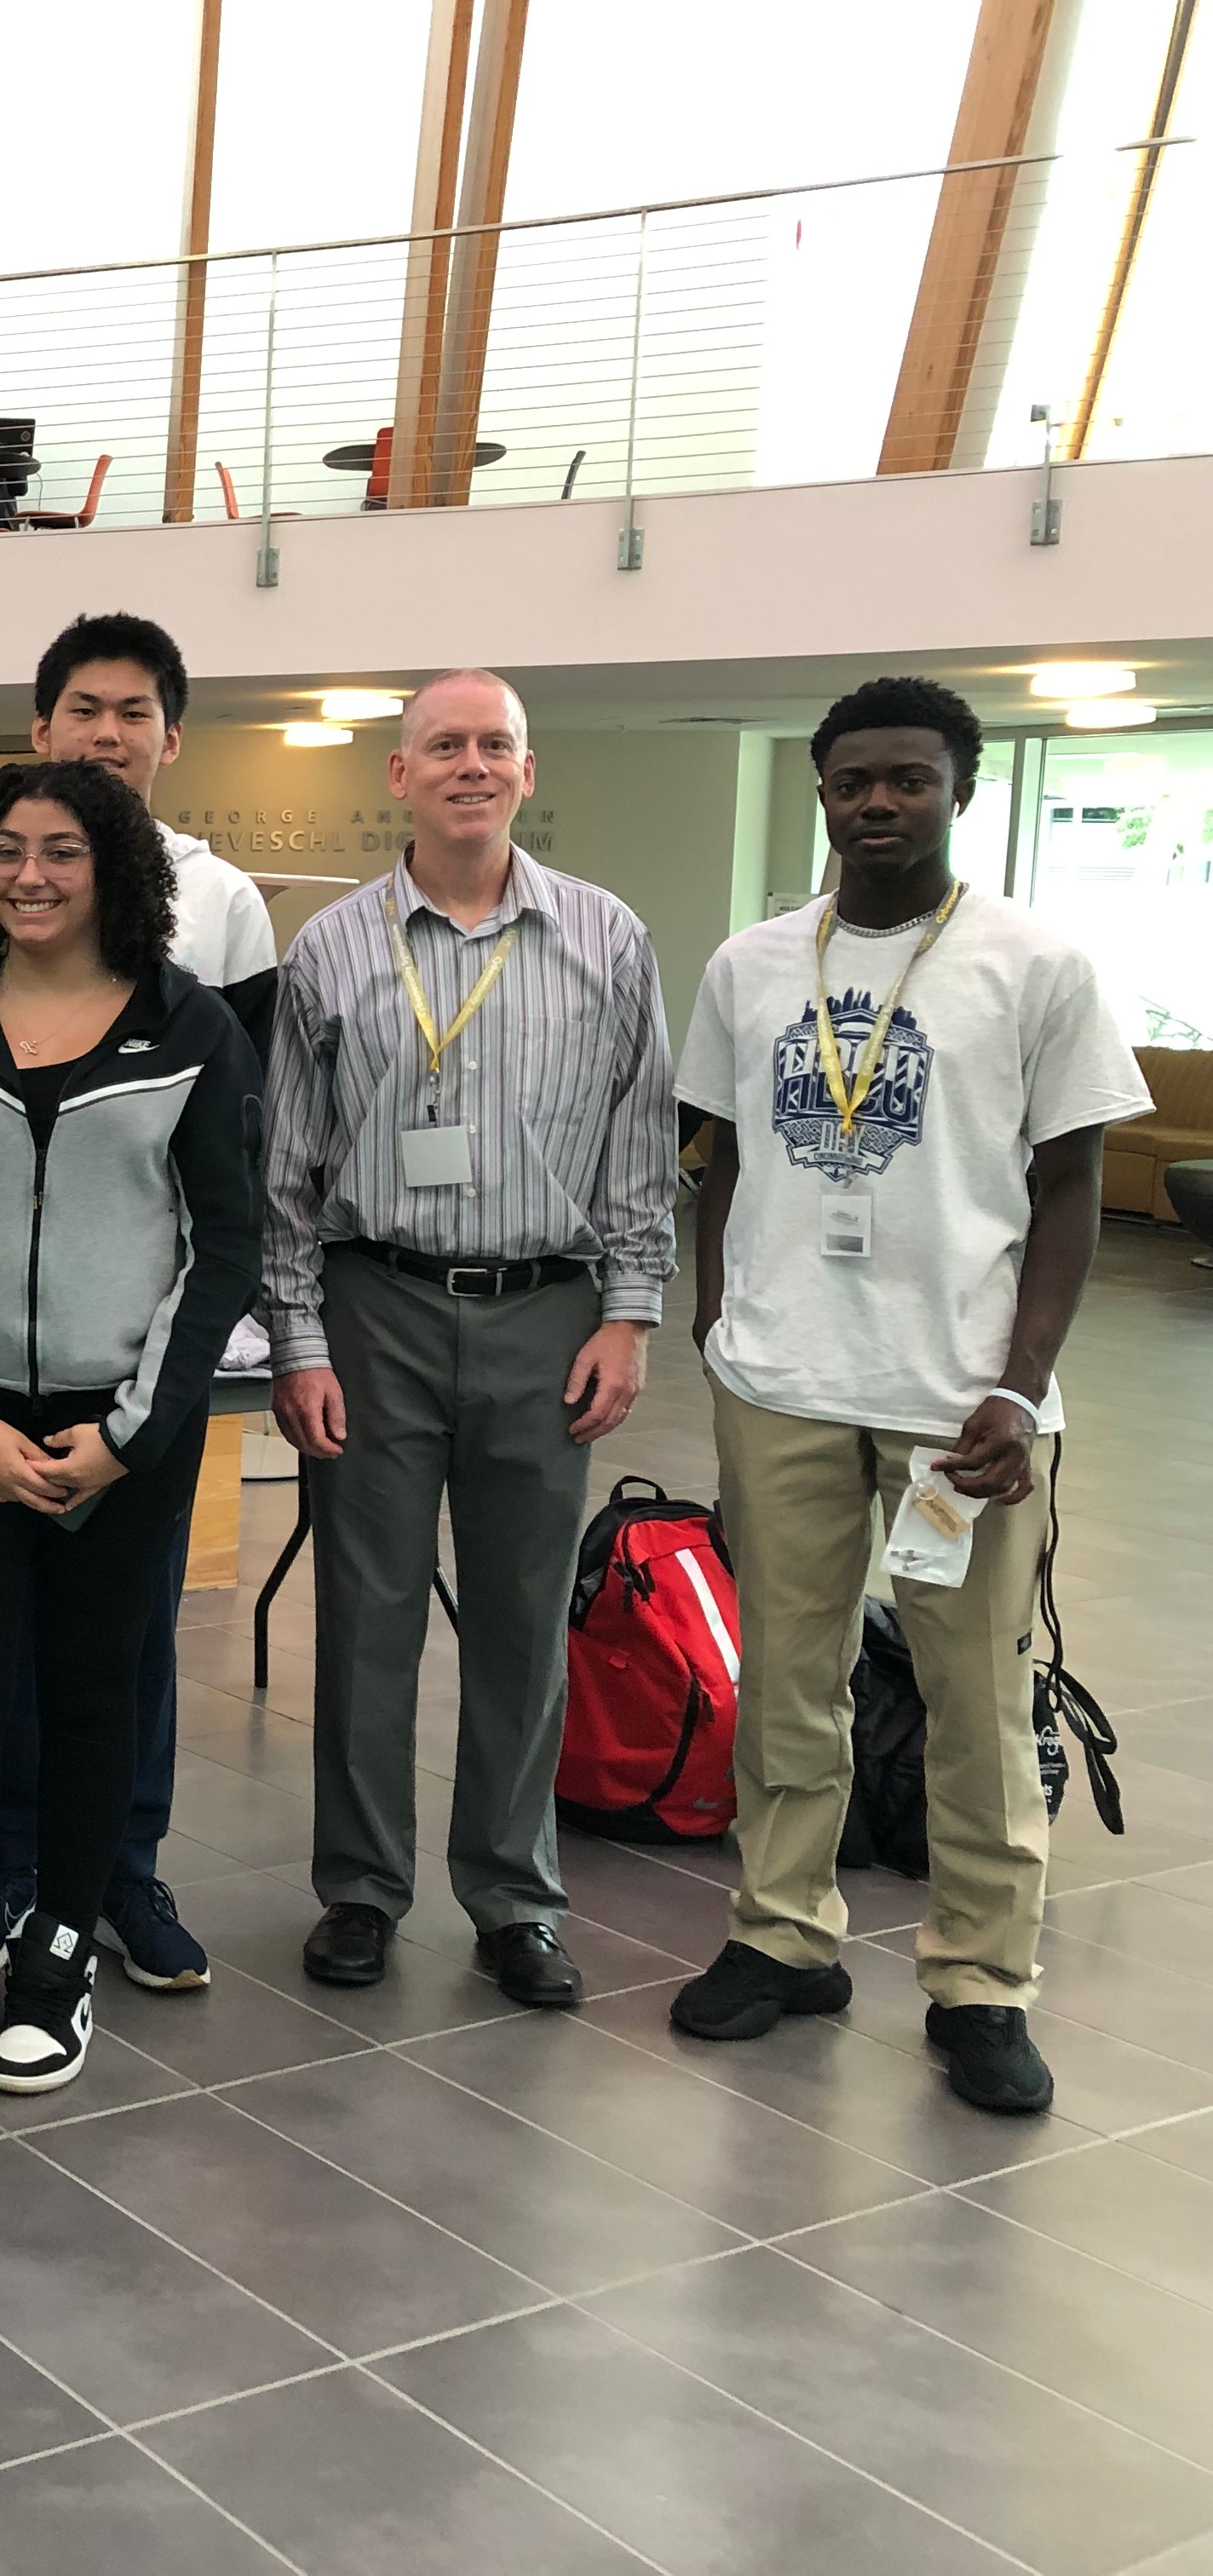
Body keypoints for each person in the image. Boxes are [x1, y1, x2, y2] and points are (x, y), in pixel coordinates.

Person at [667, 677, 1147, 2116]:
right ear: (821, 793)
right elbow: (722, 1156)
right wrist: (720, 1314)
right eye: (853, 782)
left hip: (964, 1407)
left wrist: (1024, 1378)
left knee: (975, 1697)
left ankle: (982, 1983)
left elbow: (1072, 1186)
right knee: (787, 1684)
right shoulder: (754, 965)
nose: (879, 803)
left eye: (910, 780)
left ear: (961, 791)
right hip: (785, 1380)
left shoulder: (1034, 963)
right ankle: (783, 1936)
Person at [260, 668, 674, 2008]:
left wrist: (630, 1313)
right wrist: (301, 1340)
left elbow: (640, 1146)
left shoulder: (606, 939)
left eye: (495, 744)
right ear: (401, 776)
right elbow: (288, 1170)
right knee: (366, 1617)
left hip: (546, 1317)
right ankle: (363, 1892)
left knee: (519, 1623)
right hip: (375, 1307)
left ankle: (512, 1898)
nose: (471, 765)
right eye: (444, 744)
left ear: (527, 773)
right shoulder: (328, 947)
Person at [0, 762, 262, 2087]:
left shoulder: (187, 1027)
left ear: (116, 868)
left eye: (63, 851)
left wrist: (128, 1435)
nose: (30, 875)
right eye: (7, 851)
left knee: (93, 1699)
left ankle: (61, 1952)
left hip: (122, 1437)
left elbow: (227, 1246)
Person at [0, 610, 281, 1993]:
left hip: (140, 1356)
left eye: (135, 712)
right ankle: (11, 1875)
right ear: (42, 727)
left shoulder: (227, 903)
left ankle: (118, 1875)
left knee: (124, 1640)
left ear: (170, 737)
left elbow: (232, 1143)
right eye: (84, 707)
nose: (108, 732)